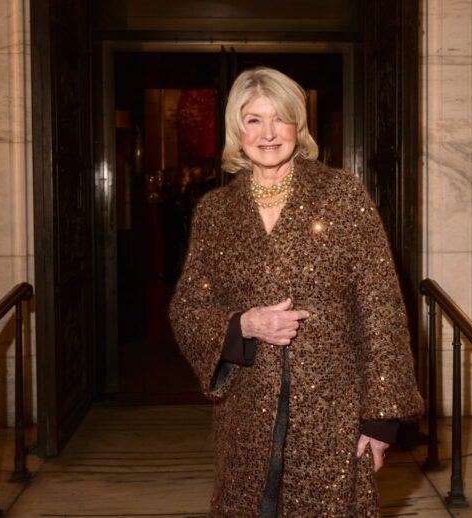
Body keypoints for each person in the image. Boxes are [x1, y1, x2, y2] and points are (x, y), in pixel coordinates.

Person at [169, 66, 423, 517]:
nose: (268, 133)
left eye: (279, 119)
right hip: (247, 409)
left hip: (334, 408)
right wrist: (242, 324)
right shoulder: (215, 212)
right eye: (253, 120)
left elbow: (380, 306)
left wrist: (381, 419)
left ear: (297, 127)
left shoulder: (341, 194)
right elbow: (188, 309)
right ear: (237, 129)